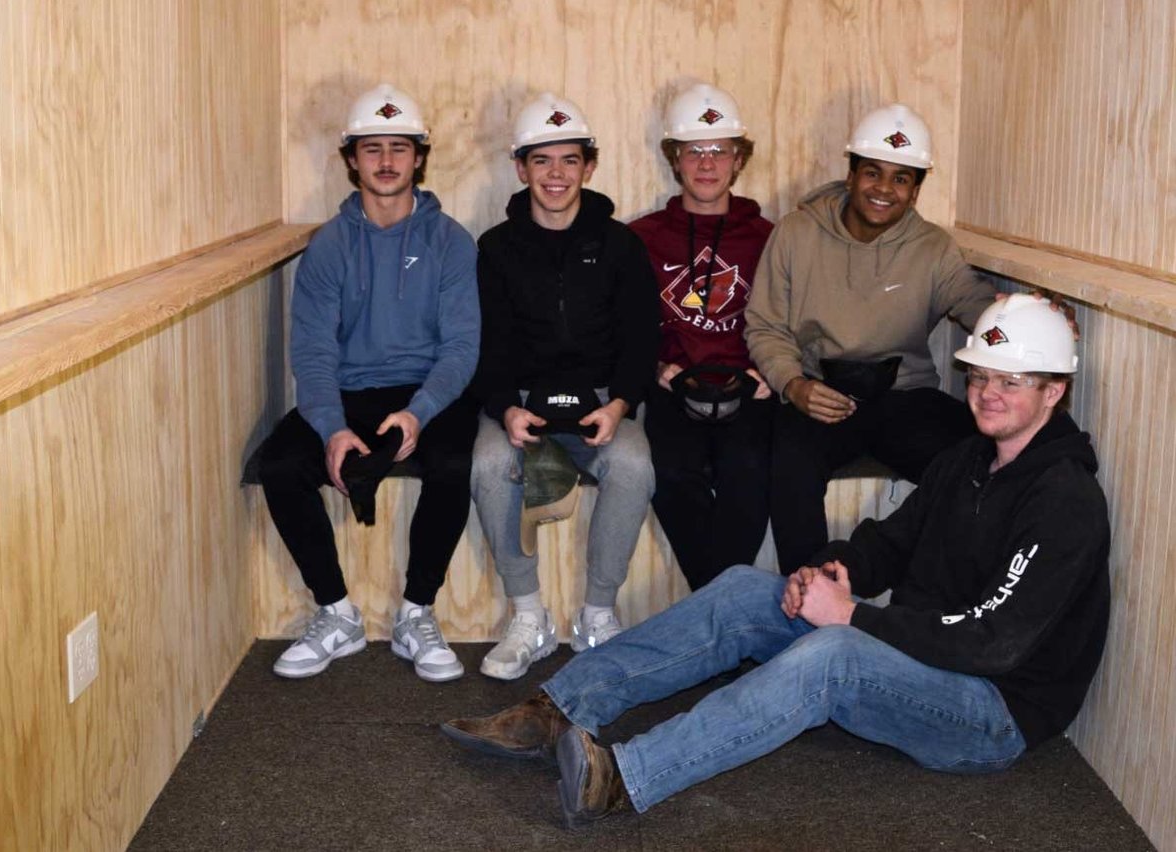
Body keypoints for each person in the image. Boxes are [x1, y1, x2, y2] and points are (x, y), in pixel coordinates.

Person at [442, 293, 1109, 828]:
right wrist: (833, 569)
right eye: (982, 376)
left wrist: (851, 618)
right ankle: (558, 708)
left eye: (1012, 382)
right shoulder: (968, 457)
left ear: (1054, 392)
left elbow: (994, 642)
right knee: (740, 591)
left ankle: (622, 781)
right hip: (926, 659)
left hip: (992, 712)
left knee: (833, 658)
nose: (989, 394)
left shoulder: (1064, 500)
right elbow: (893, 541)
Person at [258, 83, 480, 682]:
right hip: (350, 393)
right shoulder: (329, 246)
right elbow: (312, 350)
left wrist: (419, 412)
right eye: (372, 148)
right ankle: (336, 614)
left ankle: (417, 613)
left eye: (399, 148)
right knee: (279, 465)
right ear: (352, 158)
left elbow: (462, 349)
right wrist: (331, 429)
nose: (386, 161)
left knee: (457, 460)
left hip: (425, 392)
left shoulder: (450, 242)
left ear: (418, 158)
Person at [744, 103, 996, 574]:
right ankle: (808, 608)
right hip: (818, 393)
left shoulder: (932, 247)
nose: (884, 189)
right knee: (789, 466)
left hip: (904, 397)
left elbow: (973, 304)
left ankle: (927, 606)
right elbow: (765, 324)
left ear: (916, 190)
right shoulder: (797, 233)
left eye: (901, 179)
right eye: (873, 173)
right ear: (851, 174)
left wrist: (1029, 316)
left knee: (974, 462)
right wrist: (794, 386)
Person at [470, 92, 659, 680]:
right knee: (486, 467)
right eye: (542, 161)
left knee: (633, 466)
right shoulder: (495, 249)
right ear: (521, 168)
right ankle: (528, 617)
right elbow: (486, 344)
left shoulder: (621, 244)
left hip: (601, 401)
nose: (556, 175)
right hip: (519, 403)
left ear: (589, 167)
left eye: (569, 160)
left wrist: (621, 404)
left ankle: (597, 615)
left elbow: (640, 340)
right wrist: (505, 409)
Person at [628, 83, 775, 590]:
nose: (707, 164)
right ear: (674, 159)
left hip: (749, 388)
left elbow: (795, 320)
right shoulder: (640, 238)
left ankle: (715, 609)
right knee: (671, 473)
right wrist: (654, 369)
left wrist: (772, 374)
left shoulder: (770, 238)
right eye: (694, 151)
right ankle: (720, 604)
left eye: (719, 151)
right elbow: (620, 325)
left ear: (738, 160)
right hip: (674, 388)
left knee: (750, 472)